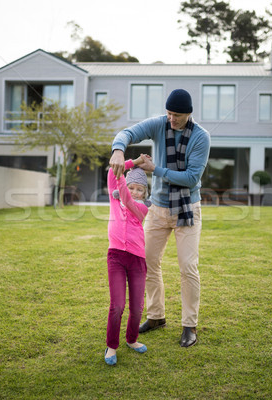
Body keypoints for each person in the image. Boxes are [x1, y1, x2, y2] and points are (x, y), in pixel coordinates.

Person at [109, 89, 210, 348]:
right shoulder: (159, 124)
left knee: (188, 267)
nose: (172, 119)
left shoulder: (201, 137)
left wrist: (156, 169)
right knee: (148, 262)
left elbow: (191, 178)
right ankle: (156, 317)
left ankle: (189, 325)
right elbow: (127, 133)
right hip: (158, 209)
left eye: (177, 115)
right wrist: (119, 150)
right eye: (169, 113)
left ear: (189, 114)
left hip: (188, 208)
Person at [104, 154, 151, 366]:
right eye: (132, 187)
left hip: (137, 259)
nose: (135, 191)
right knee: (117, 305)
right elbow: (112, 172)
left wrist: (125, 176)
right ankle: (111, 346)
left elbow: (126, 196)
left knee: (137, 307)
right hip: (116, 256)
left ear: (145, 193)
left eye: (139, 189)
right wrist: (134, 162)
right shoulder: (114, 199)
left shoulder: (141, 208)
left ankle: (131, 340)